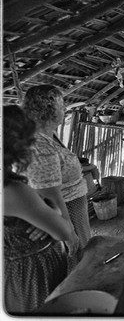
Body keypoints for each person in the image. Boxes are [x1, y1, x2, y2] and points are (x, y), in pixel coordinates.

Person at [3, 105, 79, 314]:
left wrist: (42, 215)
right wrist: (52, 213)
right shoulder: (13, 191)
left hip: (14, 270)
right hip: (32, 272)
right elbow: (62, 231)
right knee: (45, 311)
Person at [22, 85, 90, 268]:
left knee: (81, 259)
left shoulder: (48, 137)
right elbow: (48, 193)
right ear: (48, 110)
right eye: (61, 106)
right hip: (65, 213)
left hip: (72, 209)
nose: (65, 109)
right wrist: (67, 231)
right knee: (74, 262)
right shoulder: (39, 145)